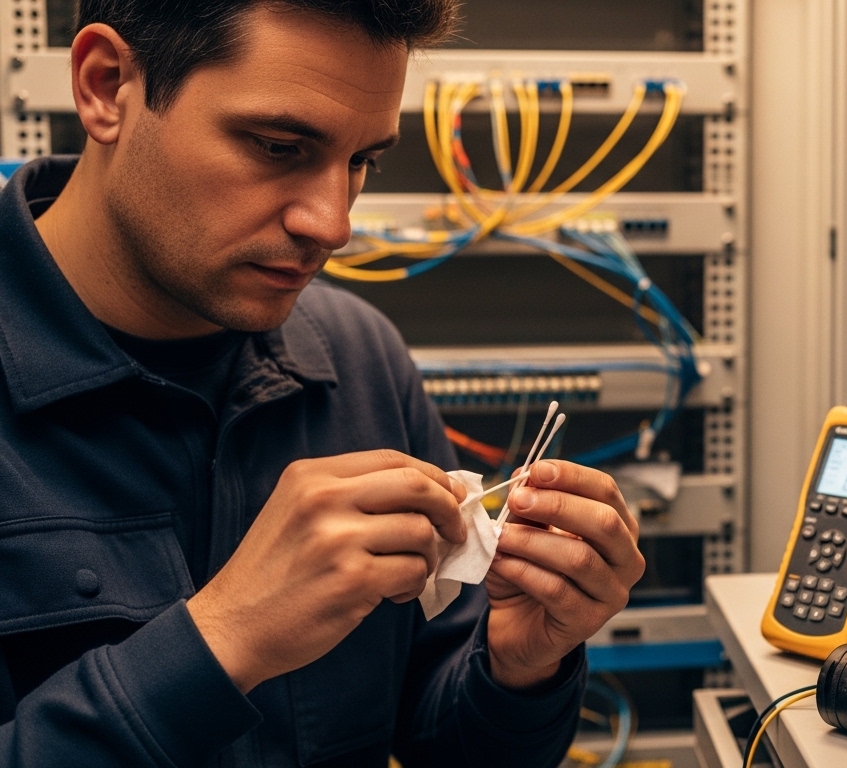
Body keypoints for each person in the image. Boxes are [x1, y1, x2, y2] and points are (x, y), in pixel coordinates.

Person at [0, 1, 646, 765]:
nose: (333, 222)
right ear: (107, 86)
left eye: (363, 162)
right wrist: (222, 639)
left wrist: (519, 668)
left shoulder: (358, 357)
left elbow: (446, 743)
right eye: (279, 146)